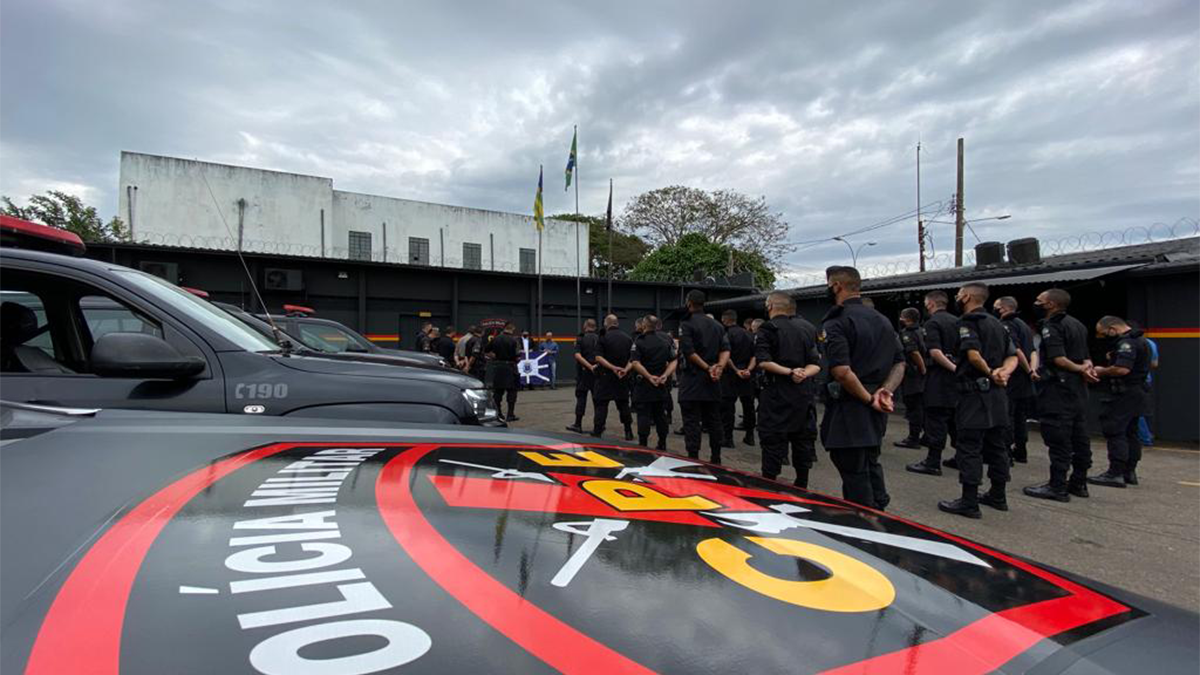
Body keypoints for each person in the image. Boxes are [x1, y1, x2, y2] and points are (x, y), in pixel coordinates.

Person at [819, 266, 905, 509]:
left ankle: (864, 518)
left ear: (837, 286)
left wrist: (868, 399)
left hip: (851, 405)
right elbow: (900, 362)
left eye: (829, 284)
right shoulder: (882, 320)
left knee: (854, 469)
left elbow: (842, 371)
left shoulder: (837, 321)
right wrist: (885, 391)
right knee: (869, 462)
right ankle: (879, 509)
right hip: (877, 404)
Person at [937, 283, 1018, 518]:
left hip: (974, 394)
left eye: (959, 294)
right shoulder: (998, 324)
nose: (957, 298)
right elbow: (1013, 355)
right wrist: (1004, 373)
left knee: (969, 447)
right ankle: (998, 495)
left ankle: (969, 501)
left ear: (967, 297)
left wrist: (991, 372)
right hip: (998, 395)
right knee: (997, 446)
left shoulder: (968, 323)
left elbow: (973, 355)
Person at [1024, 288, 1097, 502]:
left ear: (1051, 304)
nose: (1036, 303)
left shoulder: (1052, 326)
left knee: (1058, 438)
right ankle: (1079, 482)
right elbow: (1086, 356)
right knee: (1080, 436)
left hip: (1058, 389)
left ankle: (1057, 486)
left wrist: (1079, 369)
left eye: (1039, 300)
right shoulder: (1077, 324)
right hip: (1077, 391)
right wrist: (1086, 368)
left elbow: (1058, 359)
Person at [755, 292, 821, 486]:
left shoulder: (767, 328)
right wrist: (803, 373)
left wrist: (790, 371)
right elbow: (816, 363)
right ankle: (802, 484)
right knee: (802, 442)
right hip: (803, 395)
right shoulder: (807, 328)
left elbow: (763, 361)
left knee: (772, 444)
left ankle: (769, 485)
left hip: (776, 395)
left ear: (770, 306)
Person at [1087, 316, 1152, 488]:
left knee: (1115, 431)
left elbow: (1122, 369)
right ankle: (1129, 472)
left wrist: (1101, 371)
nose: (1103, 337)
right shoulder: (1141, 340)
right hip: (1137, 393)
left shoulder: (1127, 343)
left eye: (1103, 333)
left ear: (1113, 329)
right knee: (1131, 432)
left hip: (1124, 394)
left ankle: (1115, 473)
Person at [906, 290, 960, 477]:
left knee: (936, 421)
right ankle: (961, 457)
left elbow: (935, 352)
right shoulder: (958, 321)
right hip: (956, 382)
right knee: (954, 421)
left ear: (930, 304)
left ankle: (933, 462)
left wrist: (953, 368)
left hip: (939, 378)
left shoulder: (932, 323)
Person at [678, 290, 731, 464]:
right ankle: (716, 457)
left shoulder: (686, 324)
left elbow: (689, 352)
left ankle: (693, 457)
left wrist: (708, 367)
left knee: (691, 421)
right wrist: (719, 367)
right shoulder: (717, 325)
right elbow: (725, 349)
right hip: (713, 380)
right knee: (714, 419)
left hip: (693, 378)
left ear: (689, 302)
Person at [993, 296, 1036, 463]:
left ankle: (1006, 452)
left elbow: (1016, 351)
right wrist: (1032, 369)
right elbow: (1033, 351)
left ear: (1003, 308)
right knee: (1020, 417)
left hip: (1014, 376)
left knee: (1008, 415)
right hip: (1024, 379)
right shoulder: (1023, 325)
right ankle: (1021, 450)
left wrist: (1028, 370)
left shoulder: (1007, 325)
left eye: (997, 306)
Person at [630, 315, 677, 450]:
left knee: (643, 414)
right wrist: (665, 375)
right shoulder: (665, 341)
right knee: (660, 415)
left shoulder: (639, 341)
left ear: (644, 325)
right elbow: (674, 360)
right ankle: (662, 443)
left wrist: (649, 376)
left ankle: (643, 444)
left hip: (644, 384)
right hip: (661, 384)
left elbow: (635, 362)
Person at [592, 315, 635, 440]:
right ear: (617, 323)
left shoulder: (603, 338)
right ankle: (628, 432)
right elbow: (633, 359)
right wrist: (625, 370)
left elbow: (598, 357)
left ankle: (597, 431)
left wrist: (612, 368)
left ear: (607, 323)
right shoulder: (628, 338)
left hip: (605, 377)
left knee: (601, 405)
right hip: (622, 377)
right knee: (623, 405)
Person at [720, 310, 757, 448]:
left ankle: (728, 438)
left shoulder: (726, 335)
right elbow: (755, 355)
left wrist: (736, 370)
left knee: (728, 408)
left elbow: (726, 356)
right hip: (747, 374)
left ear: (725, 320)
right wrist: (748, 370)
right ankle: (750, 436)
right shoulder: (749, 334)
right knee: (748, 406)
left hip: (730, 374)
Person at [894, 307, 927, 449]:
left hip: (913, 375)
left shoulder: (907, 333)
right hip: (921, 376)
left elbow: (914, 352)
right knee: (920, 406)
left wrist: (922, 368)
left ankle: (913, 438)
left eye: (902, 317)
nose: (900, 319)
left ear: (907, 319)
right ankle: (926, 436)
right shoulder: (922, 330)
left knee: (913, 408)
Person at [566, 319, 601, 433]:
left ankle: (578, 424)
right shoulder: (600, 339)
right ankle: (599, 425)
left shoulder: (581, 338)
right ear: (595, 327)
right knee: (597, 400)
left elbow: (578, 356)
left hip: (584, 373)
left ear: (585, 326)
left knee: (581, 398)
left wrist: (589, 366)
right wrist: (595, 366)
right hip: (597, 373)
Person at [486, 322, 522, 422]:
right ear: (512, 329)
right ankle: (510, 414)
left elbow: (486, 350)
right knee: (512, 391)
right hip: (511, 367)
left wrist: (494, 357)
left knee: (498, 392)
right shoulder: (514, 340)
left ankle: (498, 413)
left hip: (498, 367)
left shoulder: (495, 339)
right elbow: (518, 356)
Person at [1136, 326, 1159, 446]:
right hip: (1146, 379)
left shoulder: (1131, 343)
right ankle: (1146, 436)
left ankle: (1145, 437)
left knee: (1134, 410)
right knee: (1141, 409)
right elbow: (1154, 364)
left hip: (1135, 381)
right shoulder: (1150, 343)